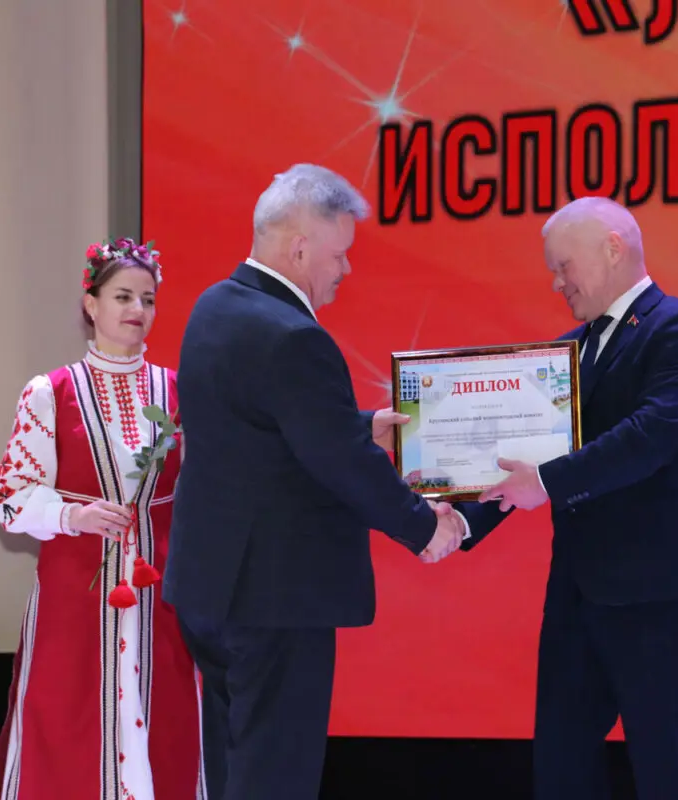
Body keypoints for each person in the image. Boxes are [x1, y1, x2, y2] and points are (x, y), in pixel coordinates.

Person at [163, 163, 465, 800]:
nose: (345, 269)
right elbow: (338, 462)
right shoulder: (295, 336)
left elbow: (258, 423)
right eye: (339, 254)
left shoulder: (216, 306)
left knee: (235, 769)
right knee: (276, 777)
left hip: (212, 590)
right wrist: (423, 526)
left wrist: (358, 425)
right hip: (275, 598)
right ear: (300, 249)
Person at [454, 196, 678, 800]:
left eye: (563, 266)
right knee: (561, 766)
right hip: (577, 592)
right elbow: (524, 456)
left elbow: (649, 437)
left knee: (662, 769)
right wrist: (458, 520)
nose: (556, 282)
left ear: (612, 248)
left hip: (656, 594)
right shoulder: (567, 352)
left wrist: (546, 483)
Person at [0, 238, 205, 800]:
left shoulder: (179, 392)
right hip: (75, 596)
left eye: (148, 299)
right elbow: (9, 495)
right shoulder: (50, 393)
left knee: (167, 724)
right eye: (123, 296)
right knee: (67, 725)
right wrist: (72, 513)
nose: (137, 309)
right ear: (92, 304)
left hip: (158, 596)